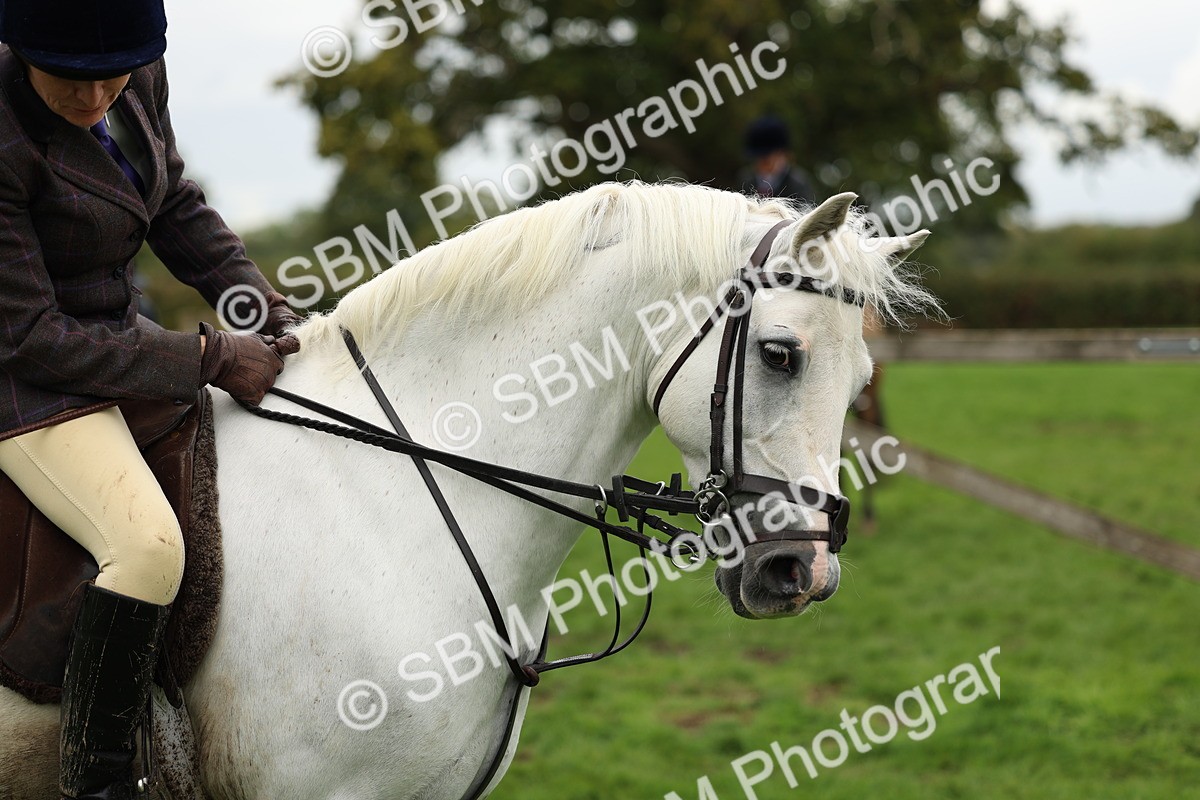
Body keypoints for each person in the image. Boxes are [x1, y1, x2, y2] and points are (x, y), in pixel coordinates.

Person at [0, 1, 302, 797]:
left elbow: (169, 200)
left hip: (111, 335)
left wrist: (255, 306)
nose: (96, 96)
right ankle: (96, 782)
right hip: (25, 376)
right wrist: (206, 355)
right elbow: (32, 334)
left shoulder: (137, 72)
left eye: (112, 75)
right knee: (147, 547)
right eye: (70, 79)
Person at [739, 115, 816, 205]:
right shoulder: (746, 180)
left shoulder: (798, 184)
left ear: (782, 154)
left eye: (766, 160)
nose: (761, 165)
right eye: (757, 159)